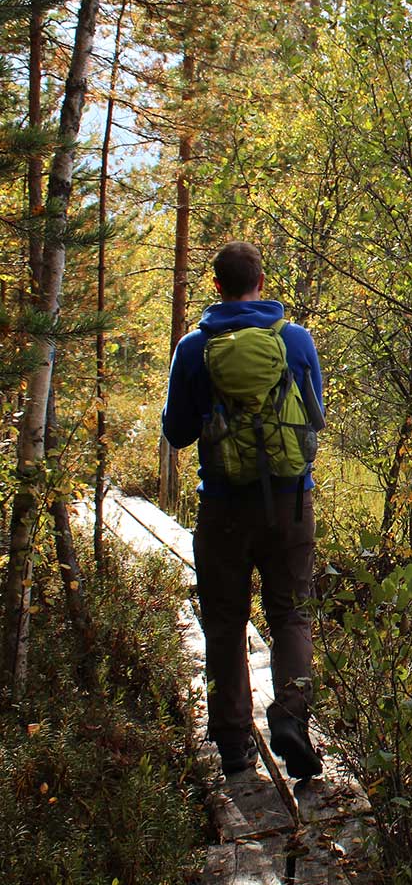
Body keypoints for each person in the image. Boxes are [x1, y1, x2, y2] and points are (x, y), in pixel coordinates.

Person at [162, 241, 323, 779]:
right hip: (289, 502)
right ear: (261, 280)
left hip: (223, 507)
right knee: (291, 614)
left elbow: (178, 432)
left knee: (226, 623)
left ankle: (233, 744)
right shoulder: (295, 340)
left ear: (217, 285)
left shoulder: (193, 347)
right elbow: (315, 418)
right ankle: (292, 721)